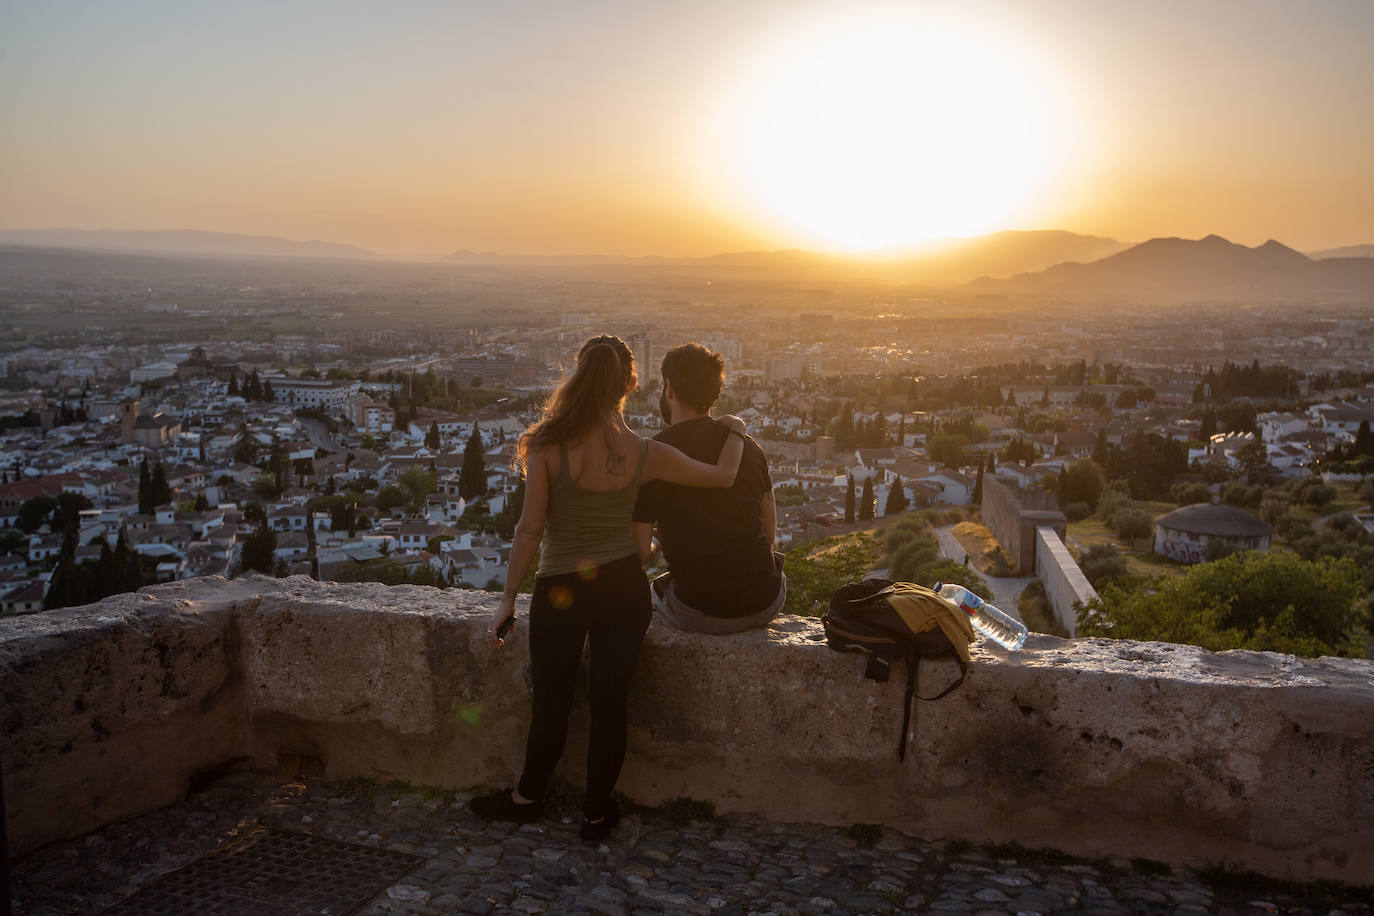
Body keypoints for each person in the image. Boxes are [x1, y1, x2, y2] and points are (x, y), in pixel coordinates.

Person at [469, 334, 747, 842]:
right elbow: (722, 478)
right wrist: (736, 429)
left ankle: (527, 798)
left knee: (551, 702)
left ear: (577, 376)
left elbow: (530, 529)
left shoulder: (547, 444)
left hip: (561, 590)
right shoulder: (646, 451)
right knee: (610, 704)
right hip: (623, 587)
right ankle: (596, 814)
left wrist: (507, 599)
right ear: (632, 384)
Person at [631, 343, 785, 634]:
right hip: (766, 601)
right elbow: (769, 534)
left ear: (669, 388)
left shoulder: (654, 455)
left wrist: (664, 538)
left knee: (659, 587)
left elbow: (639, 551)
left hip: (700, 610)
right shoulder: (748, 448)